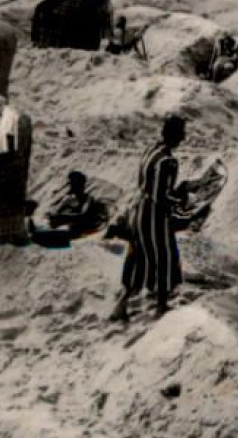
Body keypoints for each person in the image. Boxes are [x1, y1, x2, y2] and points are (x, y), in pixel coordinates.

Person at [110, 114, 187, 321]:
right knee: (164, 257)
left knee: (137, 259)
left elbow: (146, 186)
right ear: (175, 135)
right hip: (153, 216)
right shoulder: (168, 161)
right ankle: (161, 306)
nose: (183, 138)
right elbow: (160, 196)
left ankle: (121, 307)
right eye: (181, 134)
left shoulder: (150, 151)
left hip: (138, 210)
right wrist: (180, 198)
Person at [46, 171, 109, 238]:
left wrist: (58, 220)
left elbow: (76, 217)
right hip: (90, 218)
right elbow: (74, 216)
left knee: (76, 213)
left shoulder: (85, 198)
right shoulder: (88, 223)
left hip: (91, 220)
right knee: (77, 210)